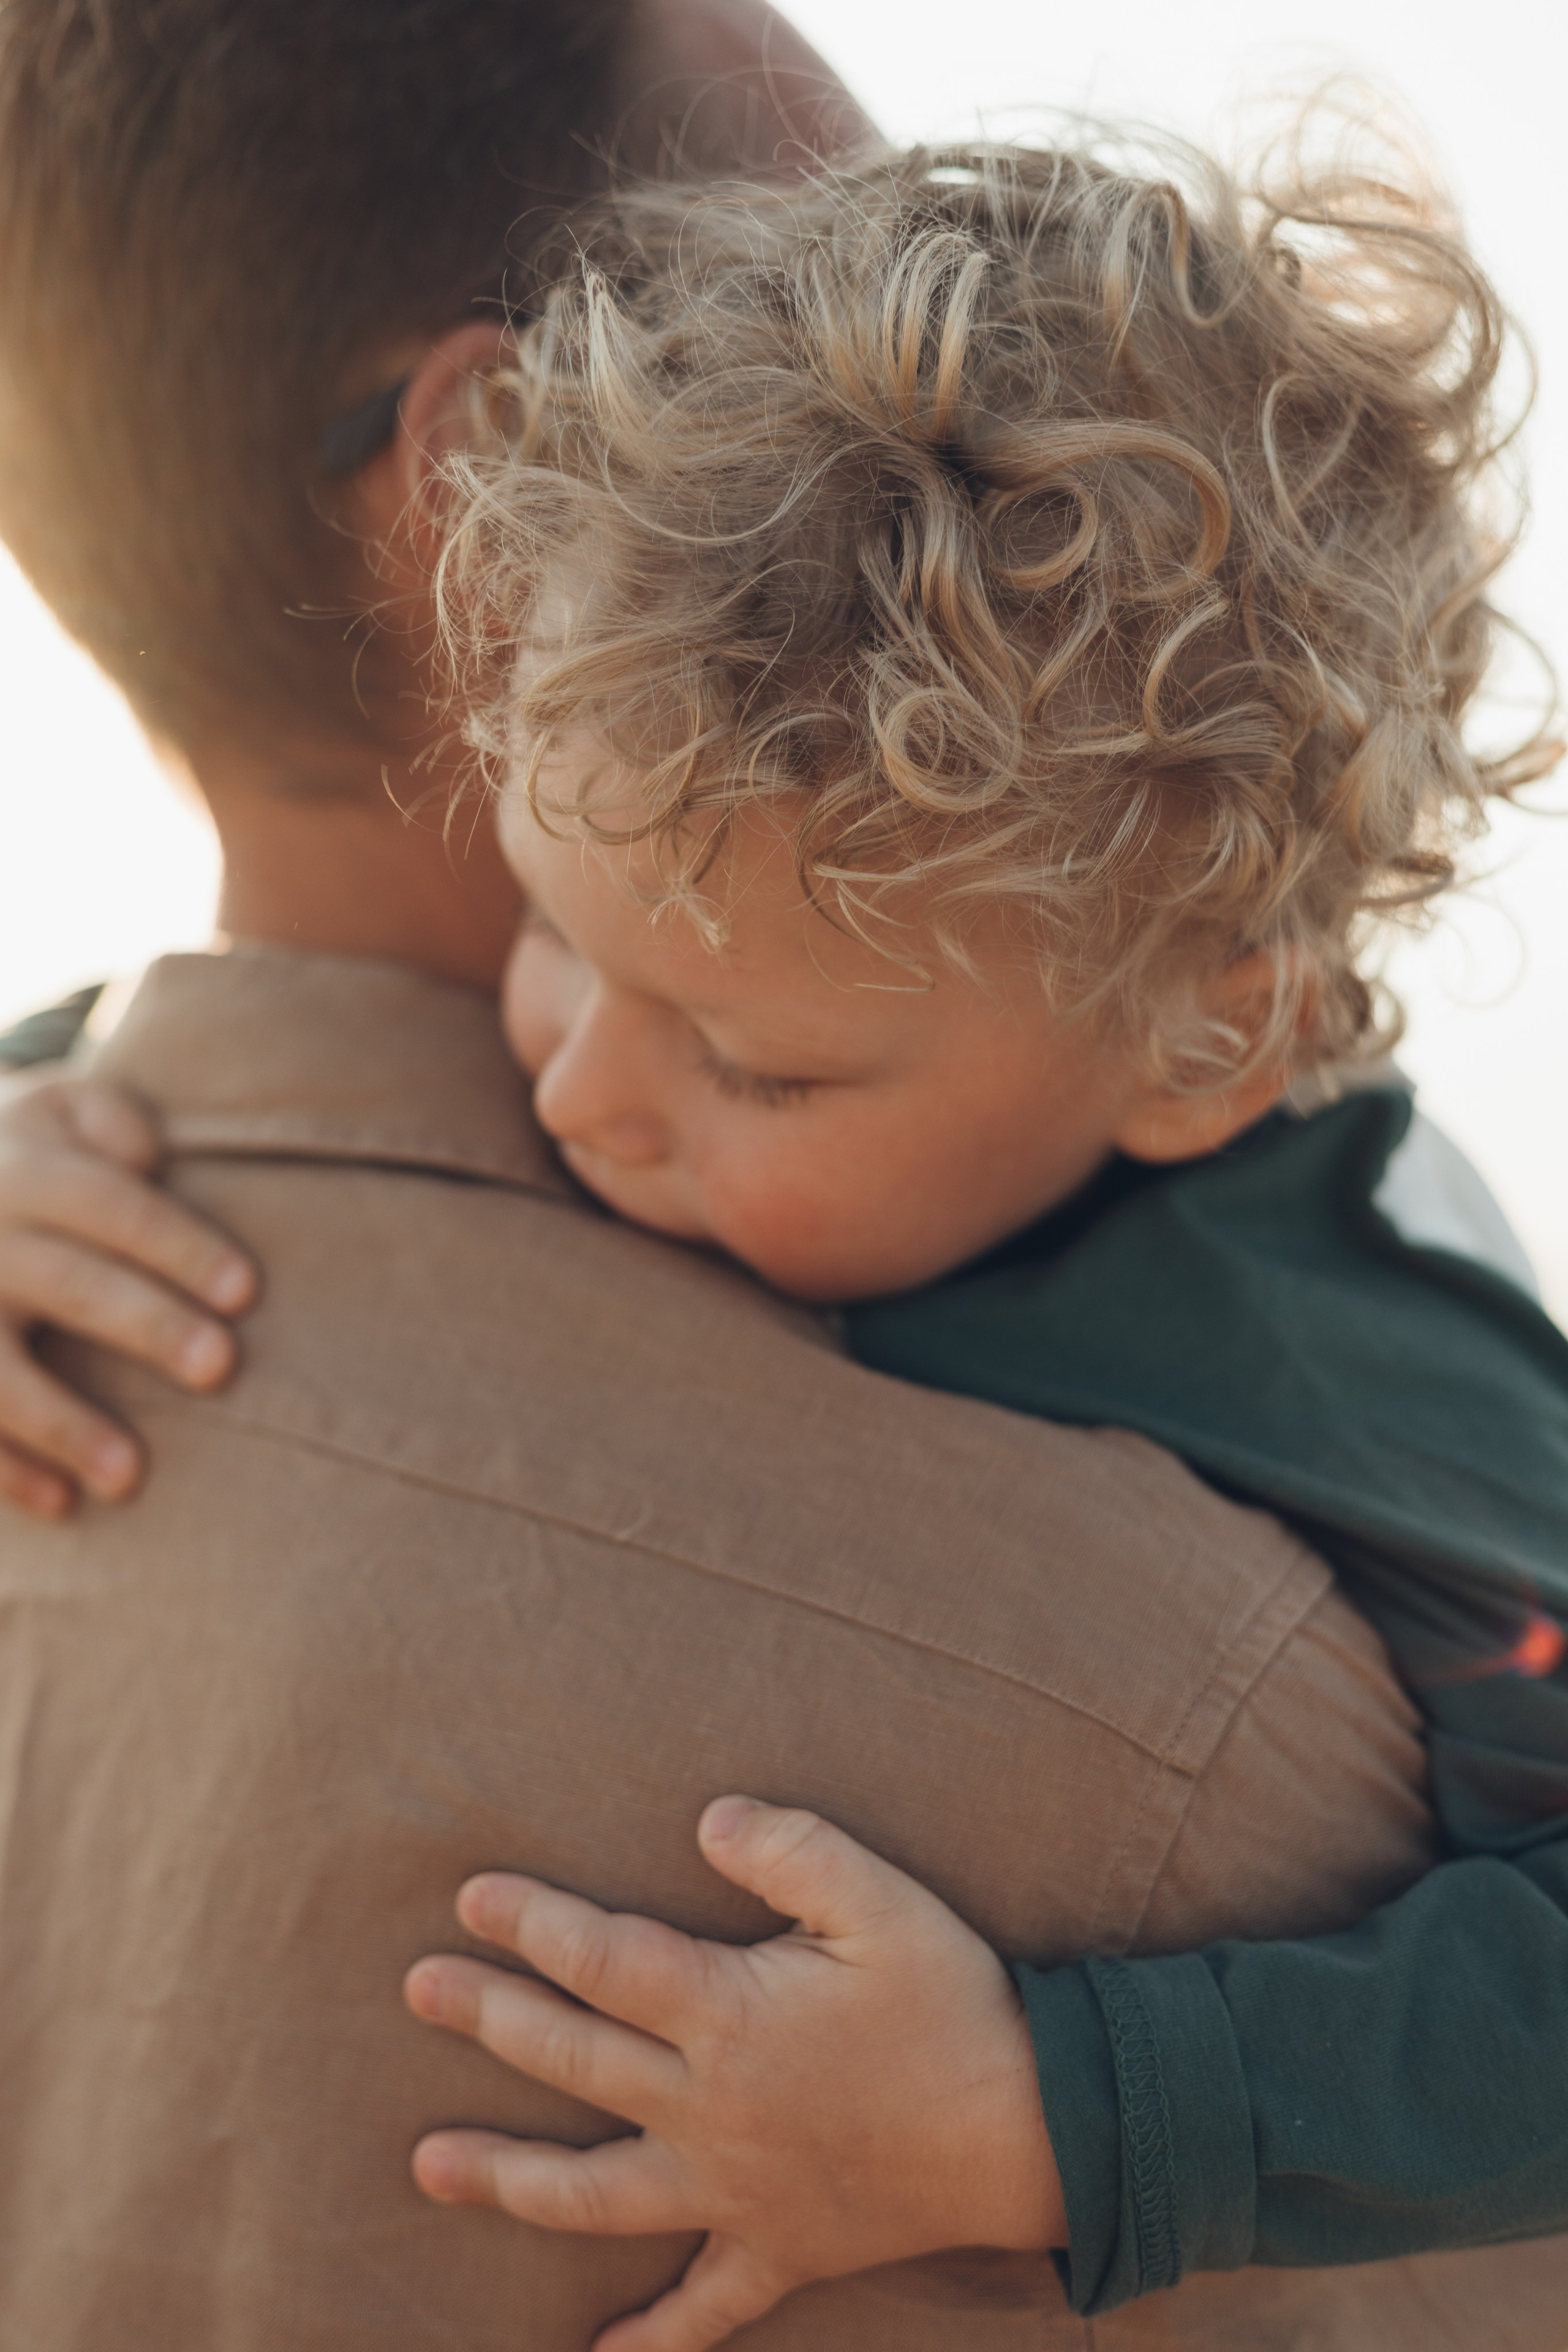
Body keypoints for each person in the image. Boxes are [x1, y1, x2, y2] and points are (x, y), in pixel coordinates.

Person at [0, 25, 1556, 2352]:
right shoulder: (717, 952)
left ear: (1199, 1042)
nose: (591, 1097)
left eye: (750, 1062)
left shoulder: (1369, 1394)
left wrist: (1070, 2108)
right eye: (556, 937)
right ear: (501, 503)